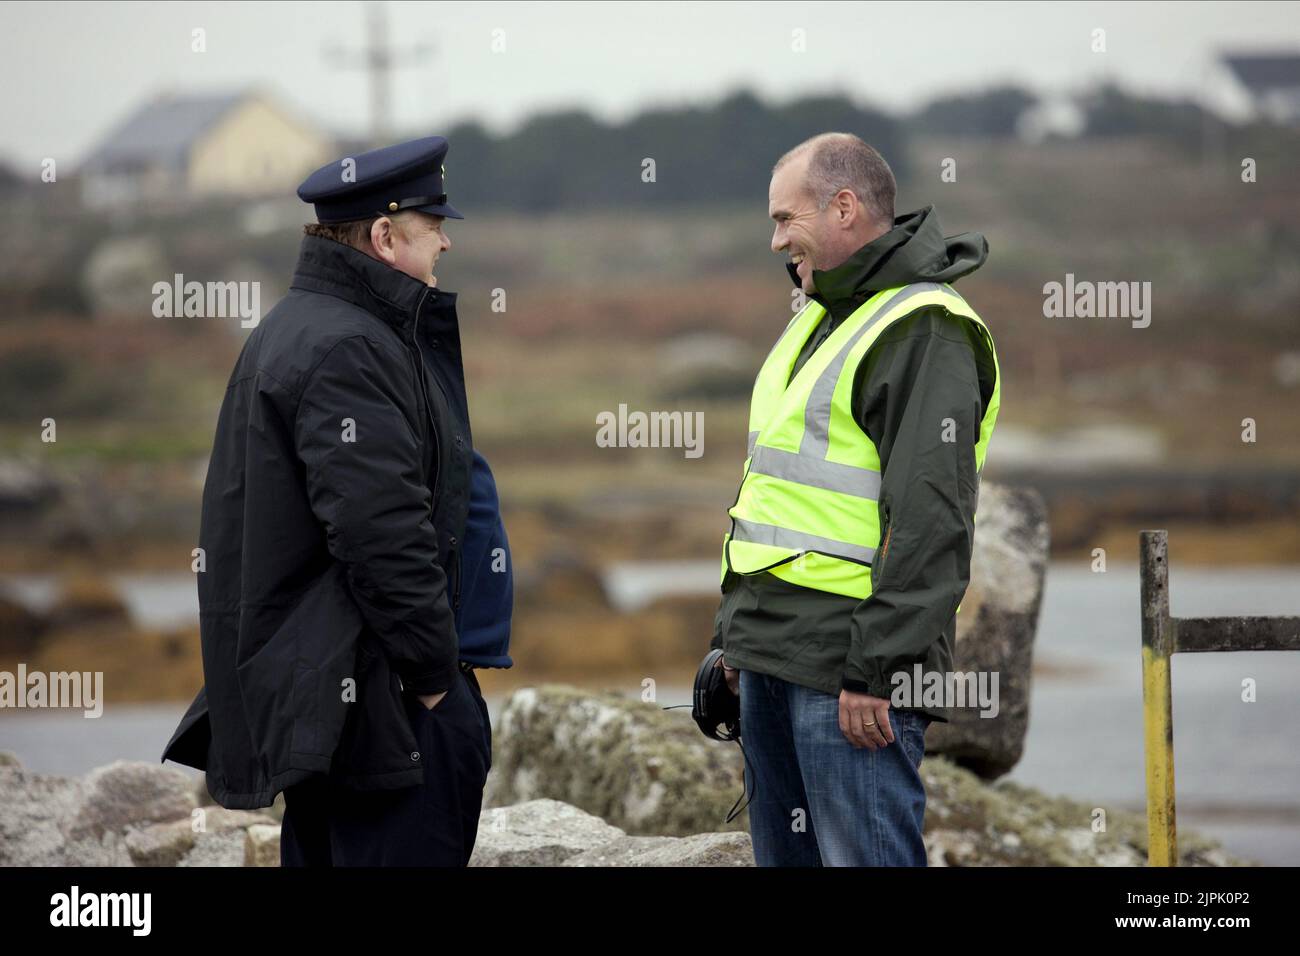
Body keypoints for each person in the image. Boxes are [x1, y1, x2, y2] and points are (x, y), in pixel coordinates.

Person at [161, 135, 501, 866]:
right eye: (432, 223)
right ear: (385, 235)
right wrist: (437, 682)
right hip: (382, 703)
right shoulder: (351, 346)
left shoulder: (301, 325)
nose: (445, 240)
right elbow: (379, 532)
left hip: (335, 695)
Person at [711, 132, 1002, 866]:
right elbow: (772, 496)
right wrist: (733, 640)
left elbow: (932, 519)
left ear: (844, 207)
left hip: (850, 672)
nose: (777, 241)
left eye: (786, 219)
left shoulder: (925, 329)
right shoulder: (817, 310)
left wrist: (881, 670)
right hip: (772, 654)